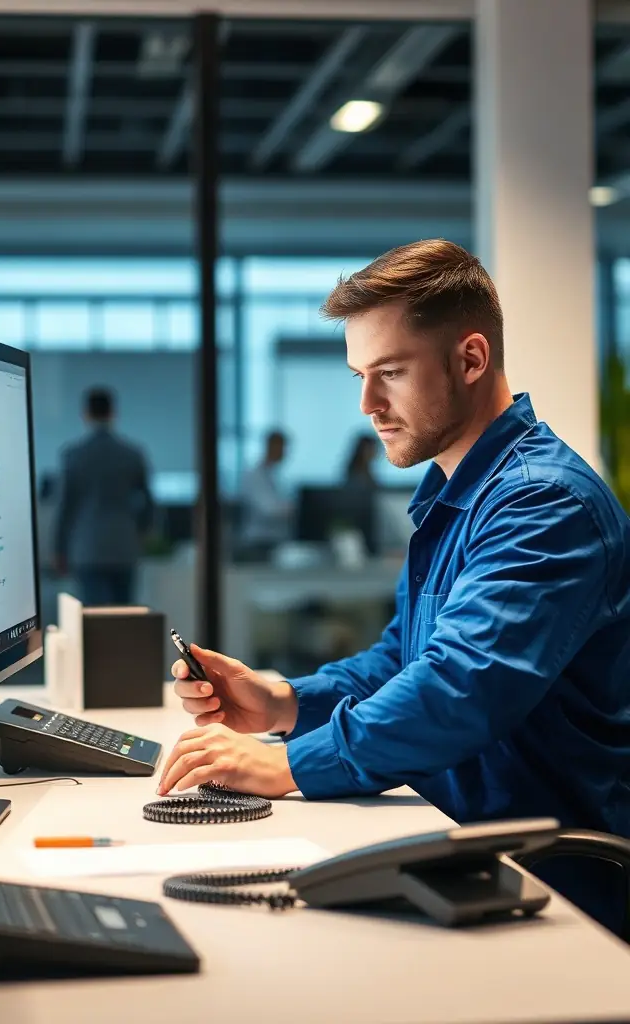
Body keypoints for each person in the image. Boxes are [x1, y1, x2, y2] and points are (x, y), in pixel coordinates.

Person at [158, 239, 630, 929]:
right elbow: (403, 661)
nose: (368, 404)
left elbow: (457, 689)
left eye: (391, 372)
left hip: (549, 880)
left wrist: (286, 769)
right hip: (459, 841)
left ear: (471, 359)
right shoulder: (456, 492)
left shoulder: (543, 504)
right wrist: (284, 703)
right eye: (359, 375)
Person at [54, 387, 153, 606]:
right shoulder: (132, 453)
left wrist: (59, 549)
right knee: (124, 616)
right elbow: (148, 501)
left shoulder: (74, 454)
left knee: (95, 620)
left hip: (87, 548)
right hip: (124, 546)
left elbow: (65, 507)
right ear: (113, 413)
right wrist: (141, 532)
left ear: (85, 414)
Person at [238, 430, 293, 555]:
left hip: (277, 540)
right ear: (270, 447)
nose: (284, 453)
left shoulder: (274, 475)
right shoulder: (254, 475)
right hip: (260, 542)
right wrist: (292, 508)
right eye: (282, 448)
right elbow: (269, 510)